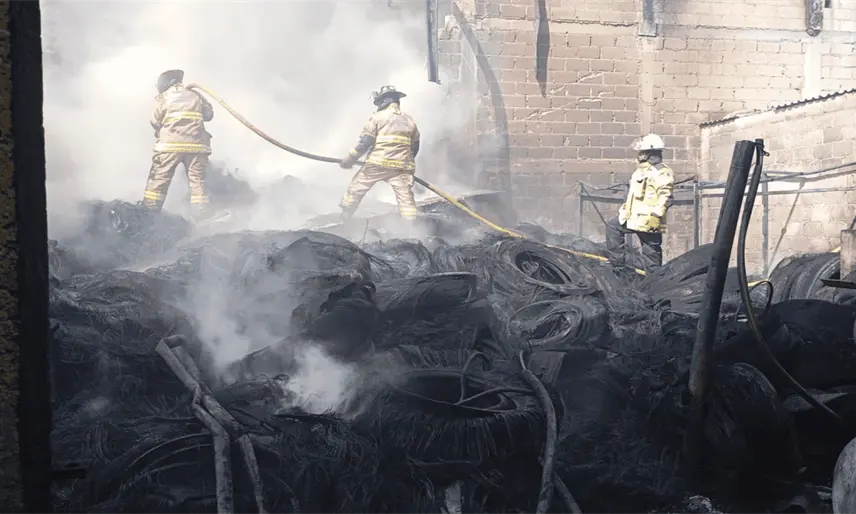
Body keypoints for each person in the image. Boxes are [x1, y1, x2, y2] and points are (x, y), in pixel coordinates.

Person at [141, 69, 215, 221]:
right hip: (197, 146)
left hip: (169, 147)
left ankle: (149, 214)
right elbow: (208, 115)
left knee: (159, 181)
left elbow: (154, 121)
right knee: (197, 182)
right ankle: (201, 217)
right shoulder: (196, 95)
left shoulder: (163, 98)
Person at [338, 85, 420, 221]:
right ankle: (411, 227)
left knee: (357, 186)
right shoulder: (409, 120)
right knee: (406, 200)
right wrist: (404, 162)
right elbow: (415, 146)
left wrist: (350, 158)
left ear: (382, 101)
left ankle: (345, 217)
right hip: (402, 167)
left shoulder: (377, 118)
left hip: (377, 164)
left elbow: (365, 142)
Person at [605, 133, 675, 272]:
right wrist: (624, 212)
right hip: (634, 217)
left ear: (649, 152)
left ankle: (654, 281)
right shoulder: (641, 171)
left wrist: (656, 216)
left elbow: (666, 196)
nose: (639, 155)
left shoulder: (661, 171)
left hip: (649, 219)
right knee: (613, 227)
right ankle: (618, 266)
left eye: (642, 152)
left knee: (651, 252)